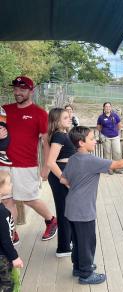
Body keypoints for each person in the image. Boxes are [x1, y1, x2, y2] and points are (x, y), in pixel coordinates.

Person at [60, 126, 123, 284]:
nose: (95, 141)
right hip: (84, 210)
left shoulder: (73, 158)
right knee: (87, 242)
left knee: (77, 240)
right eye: (91, 139)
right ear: (81, 143)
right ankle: (86, 274)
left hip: (71, 207)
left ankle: (78, 267)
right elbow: (118, 164)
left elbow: (63, 180)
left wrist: (77, 186)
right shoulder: (91, 160)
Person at [0, 76, 57, 245]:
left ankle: (51, 220)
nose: (17, 92)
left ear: (31, 91)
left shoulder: (40, 113)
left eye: (22, 90)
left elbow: (46, 142)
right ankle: (11, 233)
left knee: (28, 198)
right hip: (3, 163)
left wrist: (47, 166)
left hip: (26, 164)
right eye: (16, 89)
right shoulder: (4, 110)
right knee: (6, 200)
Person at [47, 108, 76, 257]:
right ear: (57, 121)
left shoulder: (64, 134)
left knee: (68, 210)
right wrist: (64, 179)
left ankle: (69, 240)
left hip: (65, 173)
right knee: (64, 211)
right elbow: (51, 162)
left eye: (69, 116)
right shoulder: (58, 136)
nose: (69, 119)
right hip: (60, 176)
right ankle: (63, 248)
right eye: (65, 117)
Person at [0, 171, 23, 292]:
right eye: (8, 183)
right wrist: (14, 257)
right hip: (3, 257)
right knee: (10, 285)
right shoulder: (2, 212)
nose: (11, 185)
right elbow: (5, 239)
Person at [96, 102, 122, 175]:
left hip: (115, 137)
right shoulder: (101, 117)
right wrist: (104, 132)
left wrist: (116, 132)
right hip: (106, 138)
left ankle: (116, 168)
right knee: (107, 154)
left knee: (117, 153)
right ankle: (109, 168)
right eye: (106, 106)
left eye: (109, 106)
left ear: (111, 108)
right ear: (104, 108)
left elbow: (119, 125)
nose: (107, 108)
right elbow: (98, 127)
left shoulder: (115, 115)